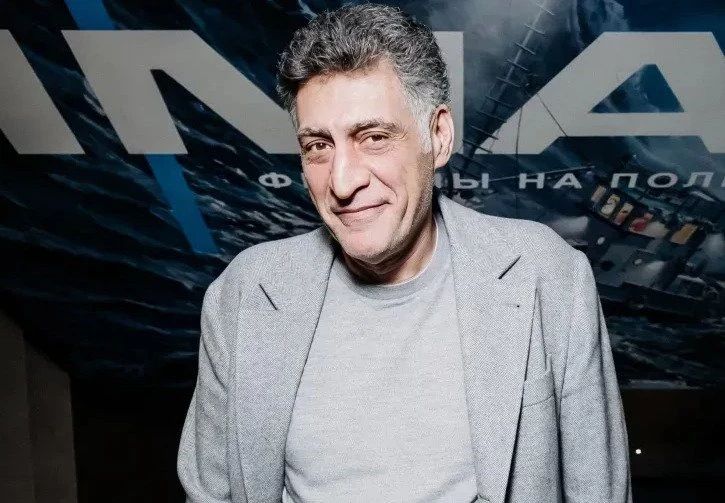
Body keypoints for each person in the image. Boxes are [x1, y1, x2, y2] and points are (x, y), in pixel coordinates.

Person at [177, 3, 632, 503]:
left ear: (439, 137)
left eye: (373, 138)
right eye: (318, 146)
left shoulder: (549, 275)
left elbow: (600, 492)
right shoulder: (244, 294)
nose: (342, 182)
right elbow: (210, 493)